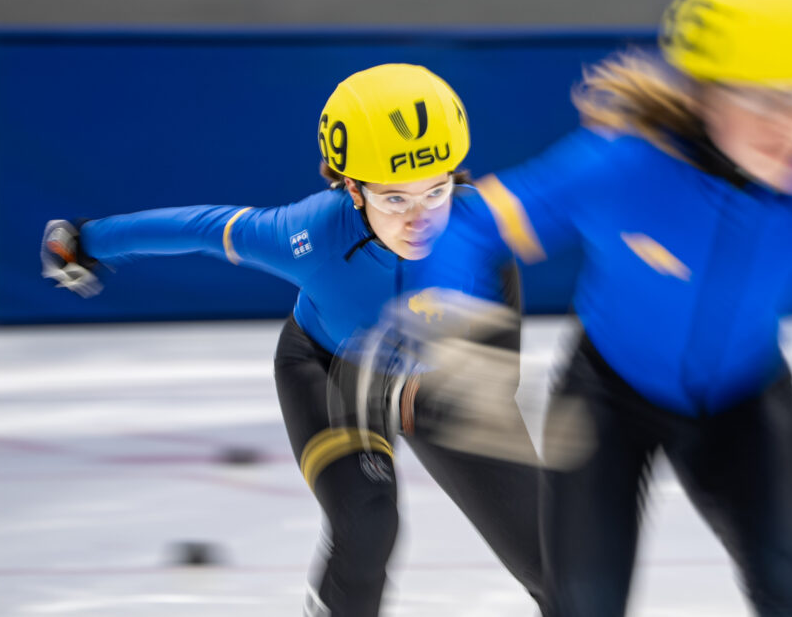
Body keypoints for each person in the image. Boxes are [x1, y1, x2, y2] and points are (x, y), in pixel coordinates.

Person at [402, 0, 792, 616]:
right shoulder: (618, 169)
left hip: (745, 405)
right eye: (770, 100)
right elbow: (466, 225)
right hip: (607, 400)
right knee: (583, 602)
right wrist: (454, 327)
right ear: (703, 92)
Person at [40, 63, 548, 616]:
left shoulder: (480, 230)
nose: (420, 218)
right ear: (351, 190)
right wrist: (88, 240)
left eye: (435, 191)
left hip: (434, 383)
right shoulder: (308, 236)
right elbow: (200, 228)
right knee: (368, 521)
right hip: (329, 371)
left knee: (556, 559)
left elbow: (500, 347)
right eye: (394, 200)